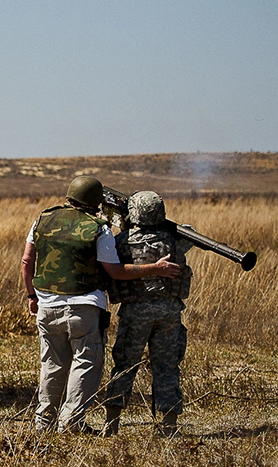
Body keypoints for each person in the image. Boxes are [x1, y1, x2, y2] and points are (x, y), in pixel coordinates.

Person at [21, 176, 181, 433]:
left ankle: (44, 422)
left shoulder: (42, 219)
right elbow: (115, 272)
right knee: (86, 363)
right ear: (96, 202)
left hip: (47, 305)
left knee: (52, 364)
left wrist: (32, 296)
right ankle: (72, 422)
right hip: (83, 307)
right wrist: (156, 268)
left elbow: (27, 262)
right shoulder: (99, 228)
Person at [103, 191, 193, 437]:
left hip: (134, 313)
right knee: (167, 366)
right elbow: (189, 236)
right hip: (169, 312)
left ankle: (111, 425)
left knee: (124, 366)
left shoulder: (121, 241)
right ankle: (169, 426)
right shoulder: (174, 241)